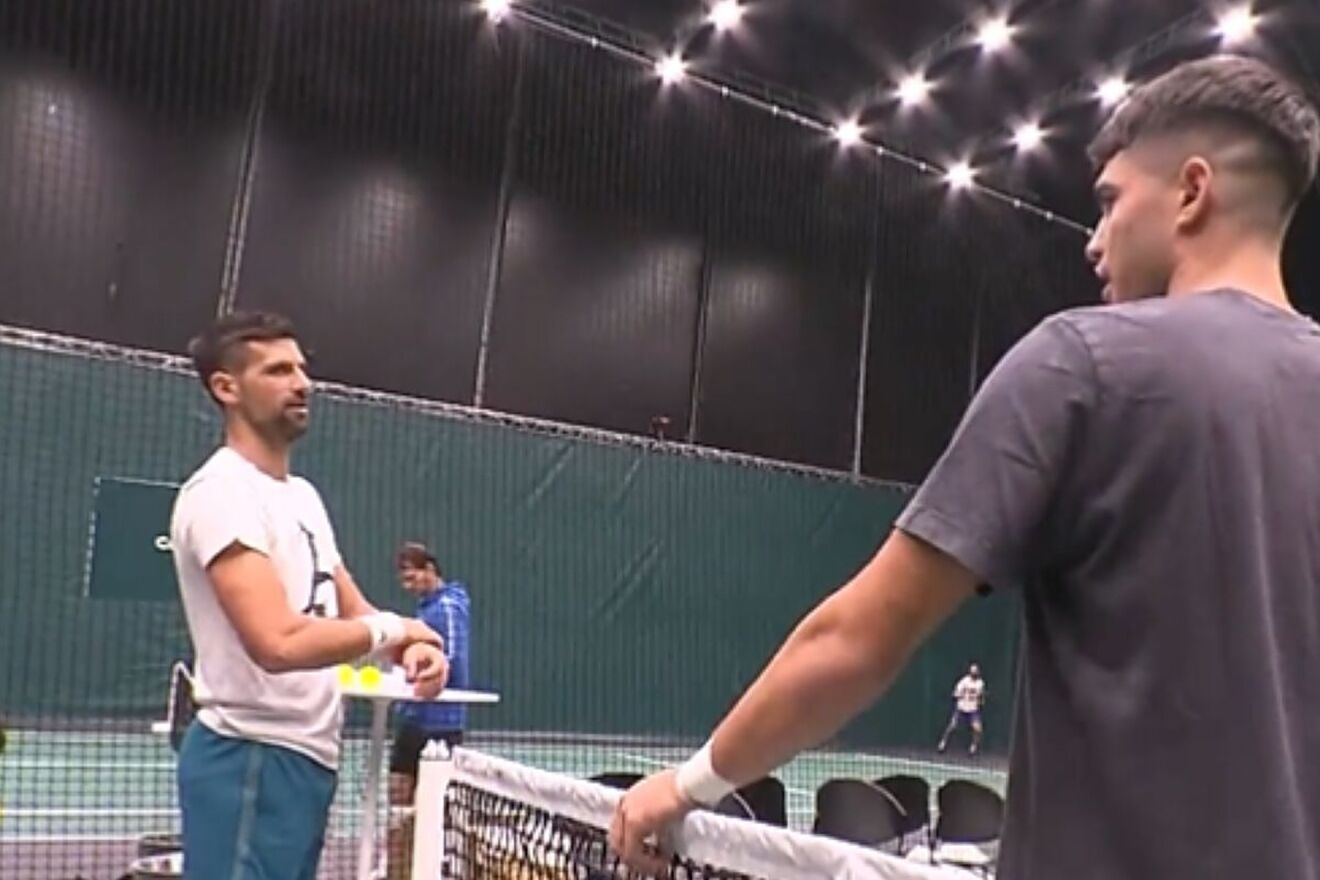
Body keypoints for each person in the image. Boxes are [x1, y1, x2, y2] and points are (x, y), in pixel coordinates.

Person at [610, 54, 1320, 879]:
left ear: (1192, 192)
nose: (1093, 241)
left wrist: (689, 783)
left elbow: (860, 638)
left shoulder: (1082, 363)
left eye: (1110, 202)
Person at [170, 311, 450, 880]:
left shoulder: (303, 498)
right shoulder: (221, 493)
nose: (302, 382)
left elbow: (353, 616)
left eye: (301, 367)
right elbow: (278, 641)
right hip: (247, 760)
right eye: (277, 370)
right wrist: (399, 630)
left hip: (309, 762)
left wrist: (407, 652)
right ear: (226, 388)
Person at [386, 541, 471, 880]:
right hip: (412, 720)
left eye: (413, 577)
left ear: (430, 570)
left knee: (433, 810)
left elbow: (449, 660)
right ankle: (394, 871)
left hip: (442, 725)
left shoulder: (449, 606)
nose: (409, 585)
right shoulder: (424, 610)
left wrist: (422, 675)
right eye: (404, 581)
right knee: (398, 800)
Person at [936, 662, 985, 755]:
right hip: (961, 708)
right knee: (952, 726)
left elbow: (980, 697)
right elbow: (956, 693)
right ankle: (943, 743)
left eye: (976, 671)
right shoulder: (964, 681)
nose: (974, 673)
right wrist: (960, 695)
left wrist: (979, 701)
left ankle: (973, 747)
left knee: (978, 729)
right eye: (972, 671)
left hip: (973, 710)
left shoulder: (980, 683)